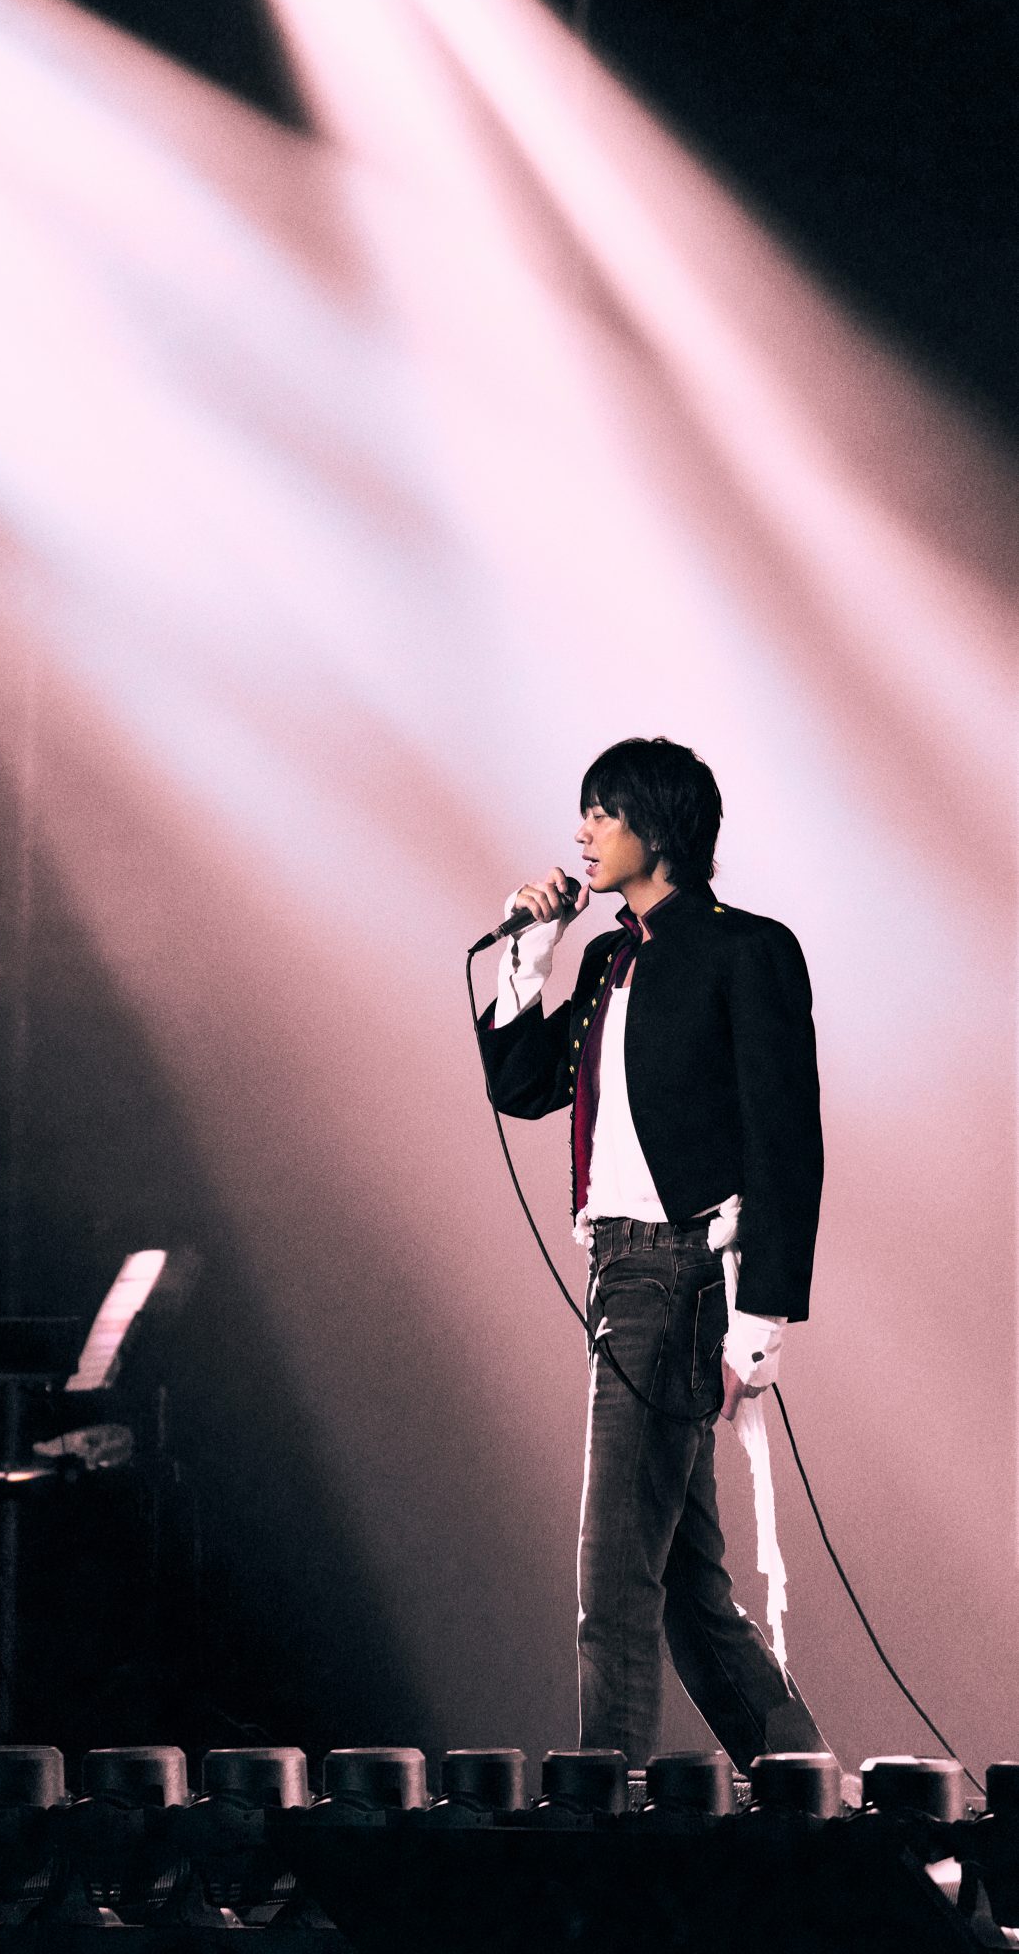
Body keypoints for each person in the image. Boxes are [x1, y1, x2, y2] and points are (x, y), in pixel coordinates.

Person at [476, 735, 826, 1769]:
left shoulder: (745, 950)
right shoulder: (604, 957)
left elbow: (786, 1143)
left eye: (603, 810)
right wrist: (530, 949)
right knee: (684, 1589)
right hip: (619, 1272)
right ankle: (814, 1794)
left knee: (615, 1581)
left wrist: (759, 1324)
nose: (583, 831)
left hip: (678, 1271)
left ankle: (609, 1814)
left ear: (659, 824)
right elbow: (524, 1086)